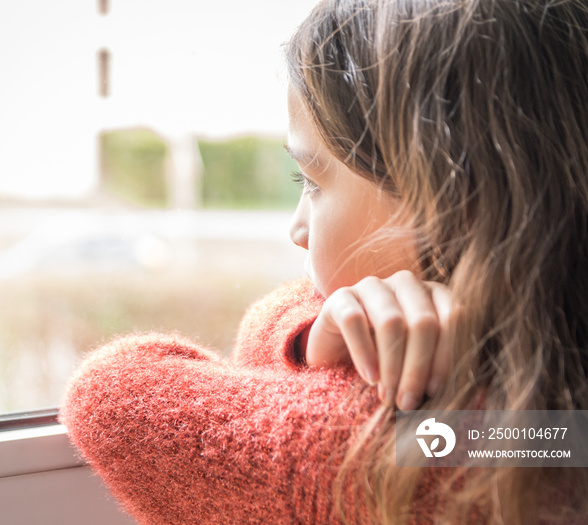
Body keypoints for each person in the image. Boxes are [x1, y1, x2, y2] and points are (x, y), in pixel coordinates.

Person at [61, 0, 588, 523]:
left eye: (310, 182)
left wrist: (312, 339)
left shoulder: (378, 449)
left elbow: (108, 396)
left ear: (447, 199)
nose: (297, 229)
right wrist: (317, 333)